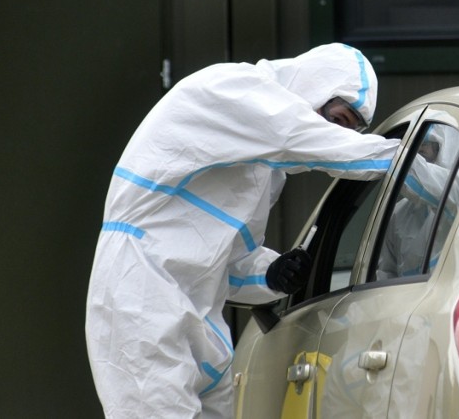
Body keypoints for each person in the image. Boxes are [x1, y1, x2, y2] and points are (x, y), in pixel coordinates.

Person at [85, 43, 401, 418]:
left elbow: (228, 259)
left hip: (202, 314)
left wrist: (271, 273)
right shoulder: (233, 89)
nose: (335, 133)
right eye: (337, 119)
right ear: (314, 85)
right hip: (142, 293)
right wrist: (416, 158)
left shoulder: (265, 169)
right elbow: (308, 139)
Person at [376, 122, 459, 280]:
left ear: (447, 149)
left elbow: (421, 175)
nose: (419, 149)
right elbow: (385, 273)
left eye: (426, 143)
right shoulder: (398, 214)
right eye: (414, 144)